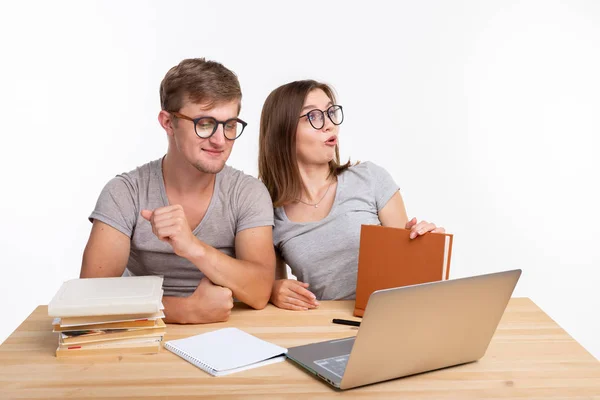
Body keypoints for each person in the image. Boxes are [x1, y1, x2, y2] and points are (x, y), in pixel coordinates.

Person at [80, 58, 276, 323]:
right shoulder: (125, 192)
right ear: (168, 122)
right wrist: (184, 310)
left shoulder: (248, 193)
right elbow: (88, 299)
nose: (220, 140)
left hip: (229, 335)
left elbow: (260, 290)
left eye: (229, 125)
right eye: (205, 124)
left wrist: (193, 247)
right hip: (142, 338)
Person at [258, 80, 445, 311]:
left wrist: (425, 247)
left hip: (389, 317)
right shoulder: (267, 210)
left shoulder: (370, 178)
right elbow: (271, 285)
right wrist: (274, 291)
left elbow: (405, 275)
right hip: (327, 327)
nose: (330, 125)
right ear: (282, 131)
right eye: (314, 117)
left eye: (330, 112)